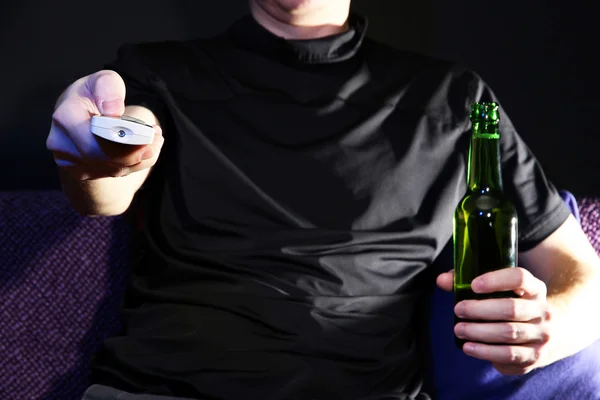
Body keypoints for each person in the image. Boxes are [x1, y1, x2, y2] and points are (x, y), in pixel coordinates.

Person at [46, 0, 600, 399]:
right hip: (164, 389)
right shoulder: (158, 72)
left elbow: (581, 274)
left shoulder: (451, 98)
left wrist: (547, 330)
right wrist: (96, 154)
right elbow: (108, 183)